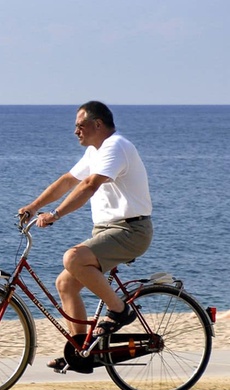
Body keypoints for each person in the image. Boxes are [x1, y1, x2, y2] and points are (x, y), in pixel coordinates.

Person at [18, 101, 153, 373]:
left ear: (97, 125)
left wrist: (55, 214)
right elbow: (69, 180)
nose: (75, 132)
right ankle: (81, 352)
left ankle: (120, 310)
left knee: (74, 258)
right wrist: (33, 206)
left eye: (79, 126)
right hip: (107, 231)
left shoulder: (116, 147)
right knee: (65, 283)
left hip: (130, 230)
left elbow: (90, 185)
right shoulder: (96, 151)